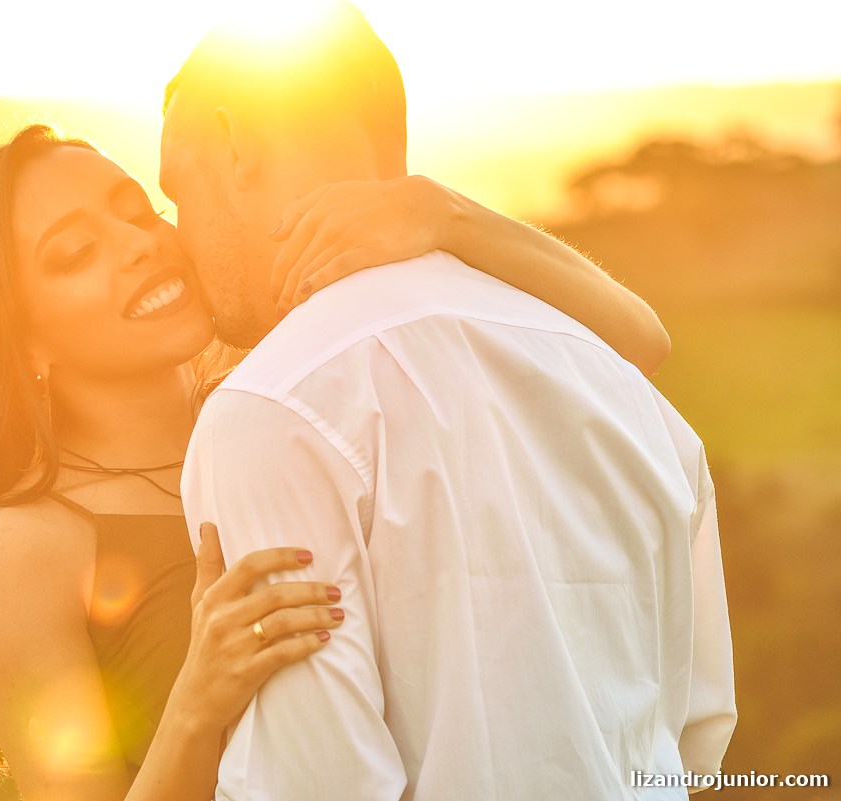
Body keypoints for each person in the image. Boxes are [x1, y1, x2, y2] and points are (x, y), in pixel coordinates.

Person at [0, 67, 675, 801]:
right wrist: (198, 701)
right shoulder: (23, 545)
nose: (137, 244)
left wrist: (445, 214)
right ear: (24, 342)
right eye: (77, 252)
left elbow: (635, 343)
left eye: (138, 210)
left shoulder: (289, 414)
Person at [164, 5, 736, 801]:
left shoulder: (272, 410)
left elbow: (318, 785)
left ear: (233, 145)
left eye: (176, 190)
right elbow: (695, 735)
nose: (177, 235)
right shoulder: (621, 385)